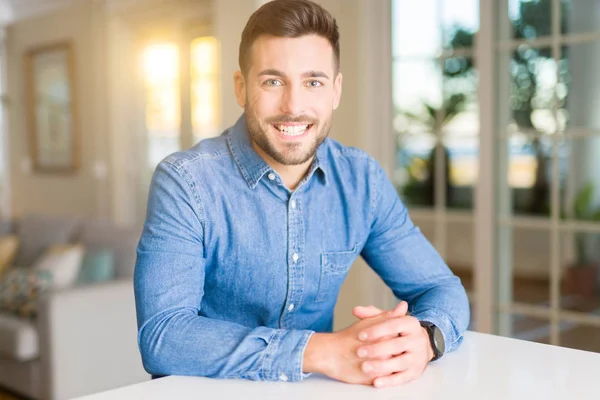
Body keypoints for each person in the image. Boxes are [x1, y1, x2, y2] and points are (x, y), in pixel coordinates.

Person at [134, 0, 469, 389]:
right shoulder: (185, 182)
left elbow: (442, 289)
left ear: (335, 90)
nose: (293, 106)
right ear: (241, 88)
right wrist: (324, 351)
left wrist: (426, 339)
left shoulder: (360, 180)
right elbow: (163, 337)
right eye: (272, 81)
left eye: (313, 82)